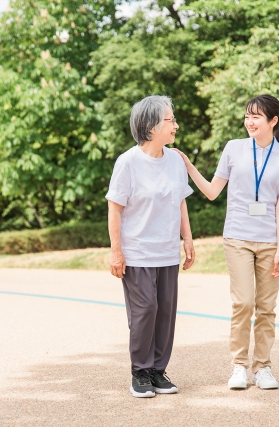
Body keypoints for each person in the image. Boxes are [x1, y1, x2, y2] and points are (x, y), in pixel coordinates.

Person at [173, 94, 279, 390]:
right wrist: (189, 165)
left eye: (256, 116)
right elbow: (213, 192)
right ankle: (239, 366)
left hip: (269, 241)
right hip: (237, 238)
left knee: (266, 307)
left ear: (273, 121)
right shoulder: (233, 148)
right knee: (243, 303)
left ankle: (263, 368)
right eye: (247, 116)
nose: (249, 121)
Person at [106, 95, 195, 398]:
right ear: (151, 125)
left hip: (167, 252)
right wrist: (116, 252)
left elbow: (180, 201)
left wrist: (188, 238)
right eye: (170, 120)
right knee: (146, 310)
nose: (176, 125)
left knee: (165, 313)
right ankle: (140, 372)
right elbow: (115, 208)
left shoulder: (175, 160)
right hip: (138, 253)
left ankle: (158, 370)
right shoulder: (128, 162)